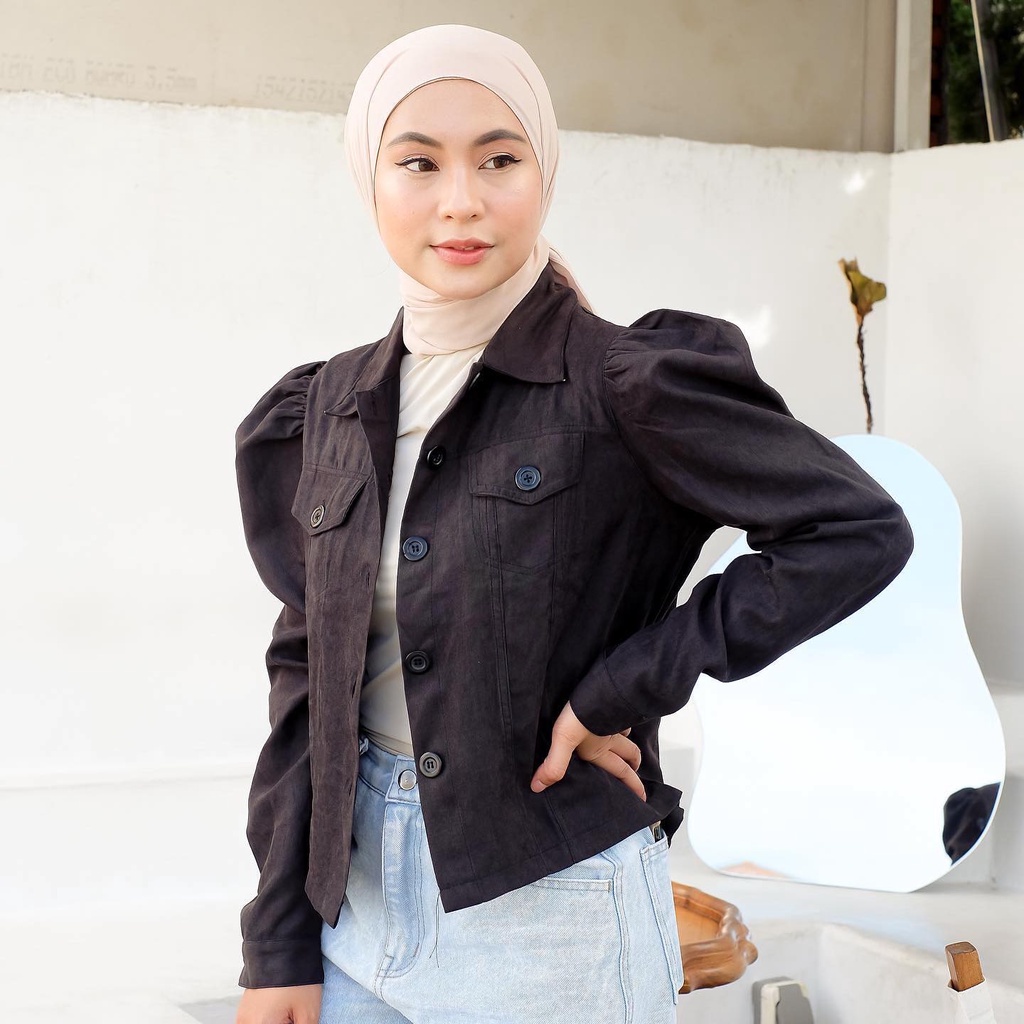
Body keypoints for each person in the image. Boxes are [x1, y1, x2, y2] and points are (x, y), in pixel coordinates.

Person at [232, 24, 913, 1024]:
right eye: (417, 162)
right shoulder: (325, 408)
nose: (460, 200)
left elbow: (853, 530)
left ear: (543, 173)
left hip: (549, 911)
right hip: (351, 908)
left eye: (498, 159)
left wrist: (620, 688)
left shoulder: (623, 384)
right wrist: (277, 942)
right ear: (368, 180)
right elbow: (307, 678)